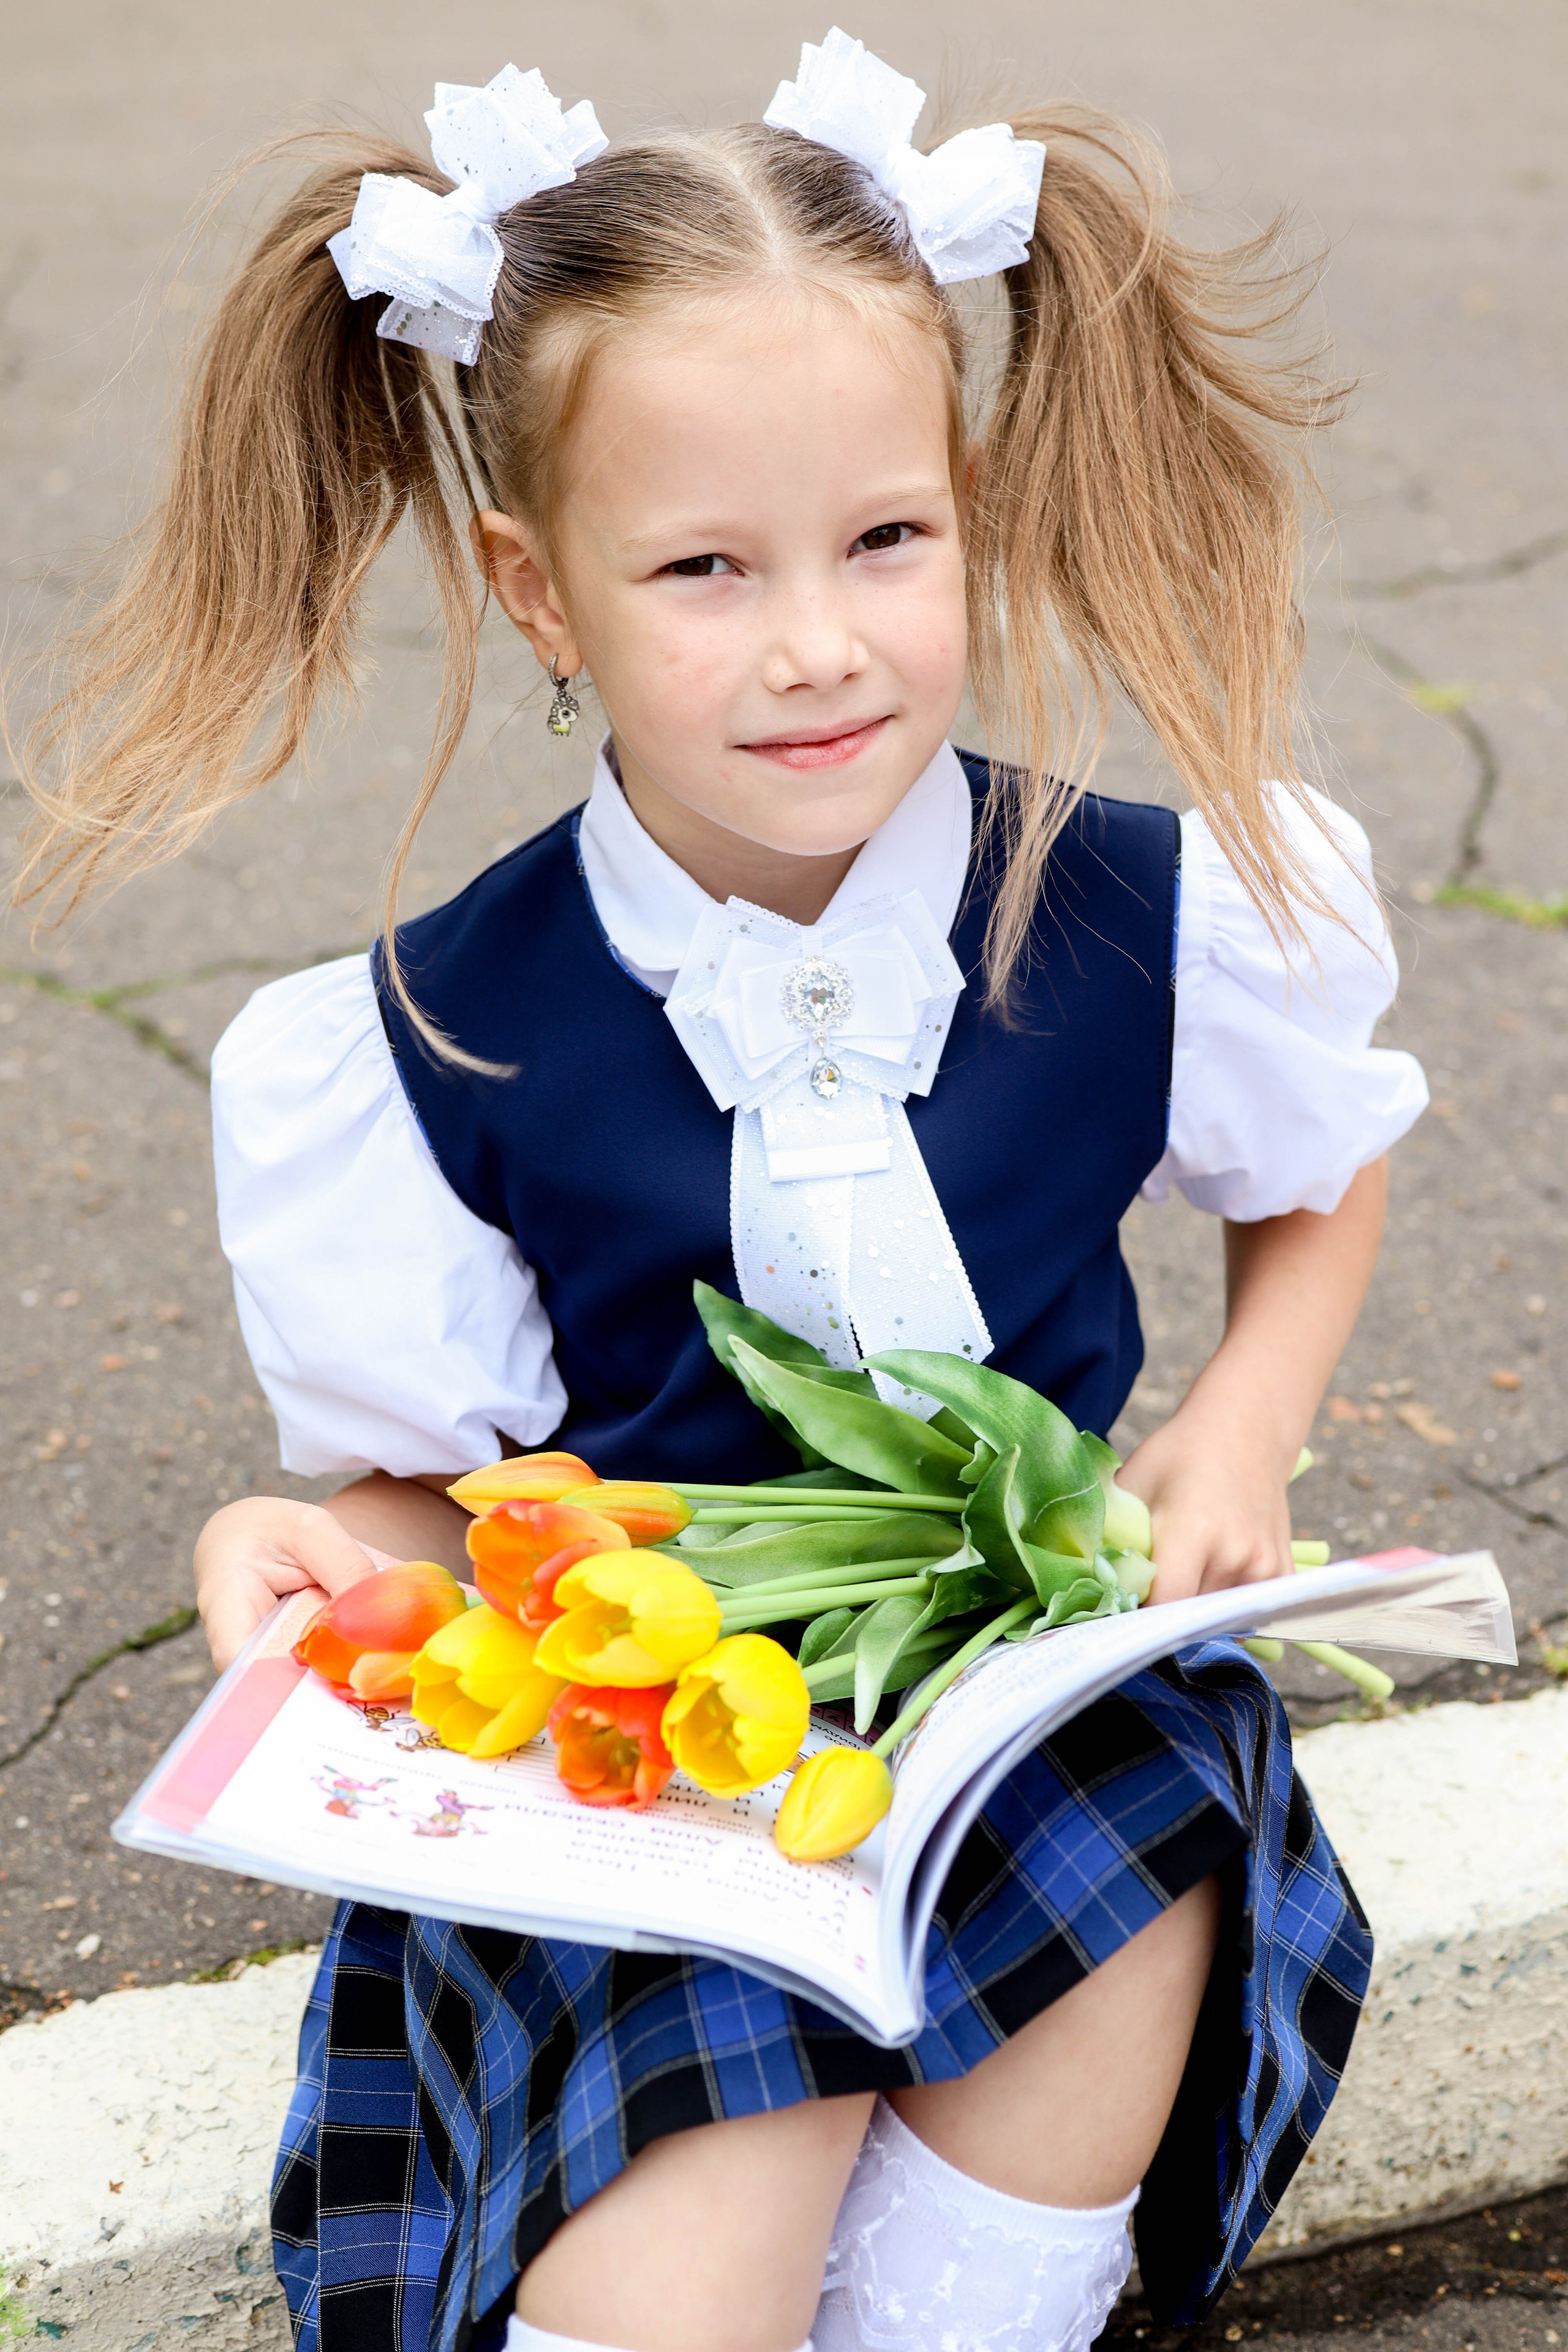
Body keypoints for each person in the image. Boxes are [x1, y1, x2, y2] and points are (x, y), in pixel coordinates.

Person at [15, 34, 1428, 2352]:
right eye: (702, 568)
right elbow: (432, 1503)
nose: (817, 643)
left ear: (970, 504)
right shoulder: (424, 1034)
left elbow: (1324, 1167)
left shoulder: (1146, 913)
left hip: (1032, 1707)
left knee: (1075, 2060)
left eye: (887, 540)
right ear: (538, 591)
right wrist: (315, 1563)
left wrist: (1245, 1421)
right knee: (691, 2259)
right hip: (644, 1755)